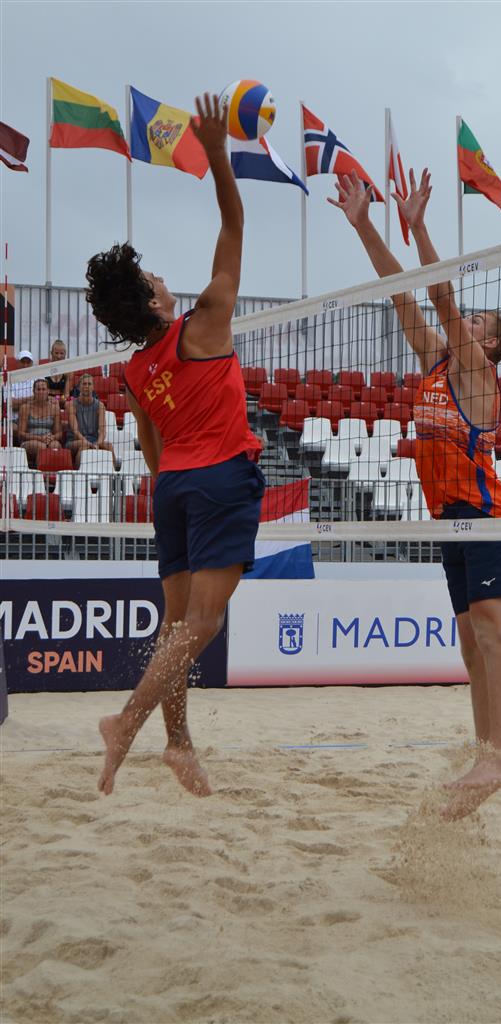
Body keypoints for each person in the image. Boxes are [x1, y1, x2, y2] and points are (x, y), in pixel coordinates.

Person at [85, 93, 264, 798]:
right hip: (219, 478)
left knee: (176, 624)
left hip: (176, 487)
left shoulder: (135, 370)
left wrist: (177, 485)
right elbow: (235, 225)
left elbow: (150, 445)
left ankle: (179, 742)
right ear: (155, 302)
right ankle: (127, 723)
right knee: (202, 623)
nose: (162, 276)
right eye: (154, 277)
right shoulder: (203, 323)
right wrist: (218, 153)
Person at [329, 169, 501, 819]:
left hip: (485, 513)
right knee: (469, 642)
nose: (465, 320)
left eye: (476, 320)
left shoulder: (477, 371)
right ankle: (484, 750)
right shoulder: (436, 361)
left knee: (490, 631)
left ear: (488, 342)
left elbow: (438, 293)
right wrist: (365, 226)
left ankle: (500, 756)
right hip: (448, 518)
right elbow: (401, 294)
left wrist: (420, 226)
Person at [66, 373, 115, 468]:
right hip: (75, 440)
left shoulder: (100, 406)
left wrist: (98, 443)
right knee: (84, 446)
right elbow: (75, 431)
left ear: (93, 387)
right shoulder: (71, 405)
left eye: (89, 384)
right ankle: (78, 473)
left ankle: (114, 474)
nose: (86, 386)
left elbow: (102, 431)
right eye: (84, 384)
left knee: (108, 446)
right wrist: (87, 442)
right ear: (79, 387)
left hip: (94, 440)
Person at [17, 378, 62, 464]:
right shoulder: (25, 408)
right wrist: (40, 438)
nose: (41, 392)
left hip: (48, 440)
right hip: (30, 441)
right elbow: (21, 434)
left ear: (48, 391)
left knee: (55, 445)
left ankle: (51, 471)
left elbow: (59, 433)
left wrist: (52, 437)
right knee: (41, 447)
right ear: (33, 391)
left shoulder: (55, 408)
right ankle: (40, 471)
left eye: (43, 389)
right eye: (38, 389)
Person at [46, 339, 71, 406]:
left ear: (65, 354)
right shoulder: (45, 369)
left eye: (61, 353)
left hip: (62, 402)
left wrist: (62, 399)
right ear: (51, 353)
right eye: (56, 353)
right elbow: (42, 393)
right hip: (47, 402)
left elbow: (67, 394)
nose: (59, 356)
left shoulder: (68, 371)